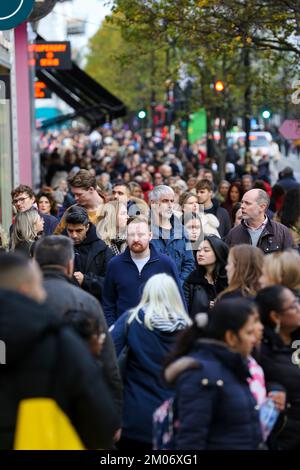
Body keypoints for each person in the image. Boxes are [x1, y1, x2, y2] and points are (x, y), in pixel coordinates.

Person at [0, 252, 120, 450]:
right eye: (39, 286)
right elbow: (101, 424)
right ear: (24, 290)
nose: (43, 293)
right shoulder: (59, 342)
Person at [34, 235, 123, 415]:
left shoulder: (20, 301)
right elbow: (107, 359)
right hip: (76, 401)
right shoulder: (86, 302)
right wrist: (115, 407)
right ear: (69, 265)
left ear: (35, 263)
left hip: (30, 404)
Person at [164, 299, 262, 449]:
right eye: (249, 332)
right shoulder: (201, 374)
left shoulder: (235, 366)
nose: (254, 339)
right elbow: (191, 439)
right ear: (231, 337)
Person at [111, 274, 192, 451]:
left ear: (146, 293)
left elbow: (107, 356)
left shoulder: (132, 320)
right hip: (175, 418)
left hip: (135, 415)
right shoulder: (189, 329)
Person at [102, 216, 185, 327]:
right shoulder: (115, 265)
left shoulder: (166, 264)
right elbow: (108, 304)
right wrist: (113, 329)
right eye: (131, 234)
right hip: (124, 335)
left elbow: (178, 302)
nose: (136, 239)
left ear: (150, 236)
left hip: (157, 335)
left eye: (141, 234)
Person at [255, 286, 300, 450]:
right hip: (282, 440)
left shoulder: (294, 340)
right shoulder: (260, 351)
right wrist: (271, 388)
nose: (299, 309)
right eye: (293, 306)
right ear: (275, 316)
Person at [64, 205, 113, 300]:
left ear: (87, 227)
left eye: (79, 231)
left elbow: (111, 283)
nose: (74, 235)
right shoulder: (59, 247)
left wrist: (86, 280)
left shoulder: (102, 249)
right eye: (70, 231)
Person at [225, 189, 296, 253]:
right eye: (242, 202)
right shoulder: (233, 233)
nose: (242, 206)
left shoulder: (282, 232)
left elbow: (291, 263)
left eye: (247, 203)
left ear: (262, 207)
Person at [149, 185, 195, 283]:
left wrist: (179, 284)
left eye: (172, 201)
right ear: (153, 203)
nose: (170, 205)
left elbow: (189, 263)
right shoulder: (144, 229)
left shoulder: (182, 231)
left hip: (178, 290)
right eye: (165, 201)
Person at [183, 235, 228, 317]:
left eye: (206, 250)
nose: (200, 254)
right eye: (199, 250)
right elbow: (184, 309)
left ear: (218, 252)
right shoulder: (192, 279)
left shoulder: (228, 279)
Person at [54, 170, 105, 234]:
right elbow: (57, 236)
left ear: (91, 189)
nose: (75, 198)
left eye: (79, 194)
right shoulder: (71, 211)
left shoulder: (114, 209)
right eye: (74, 194)